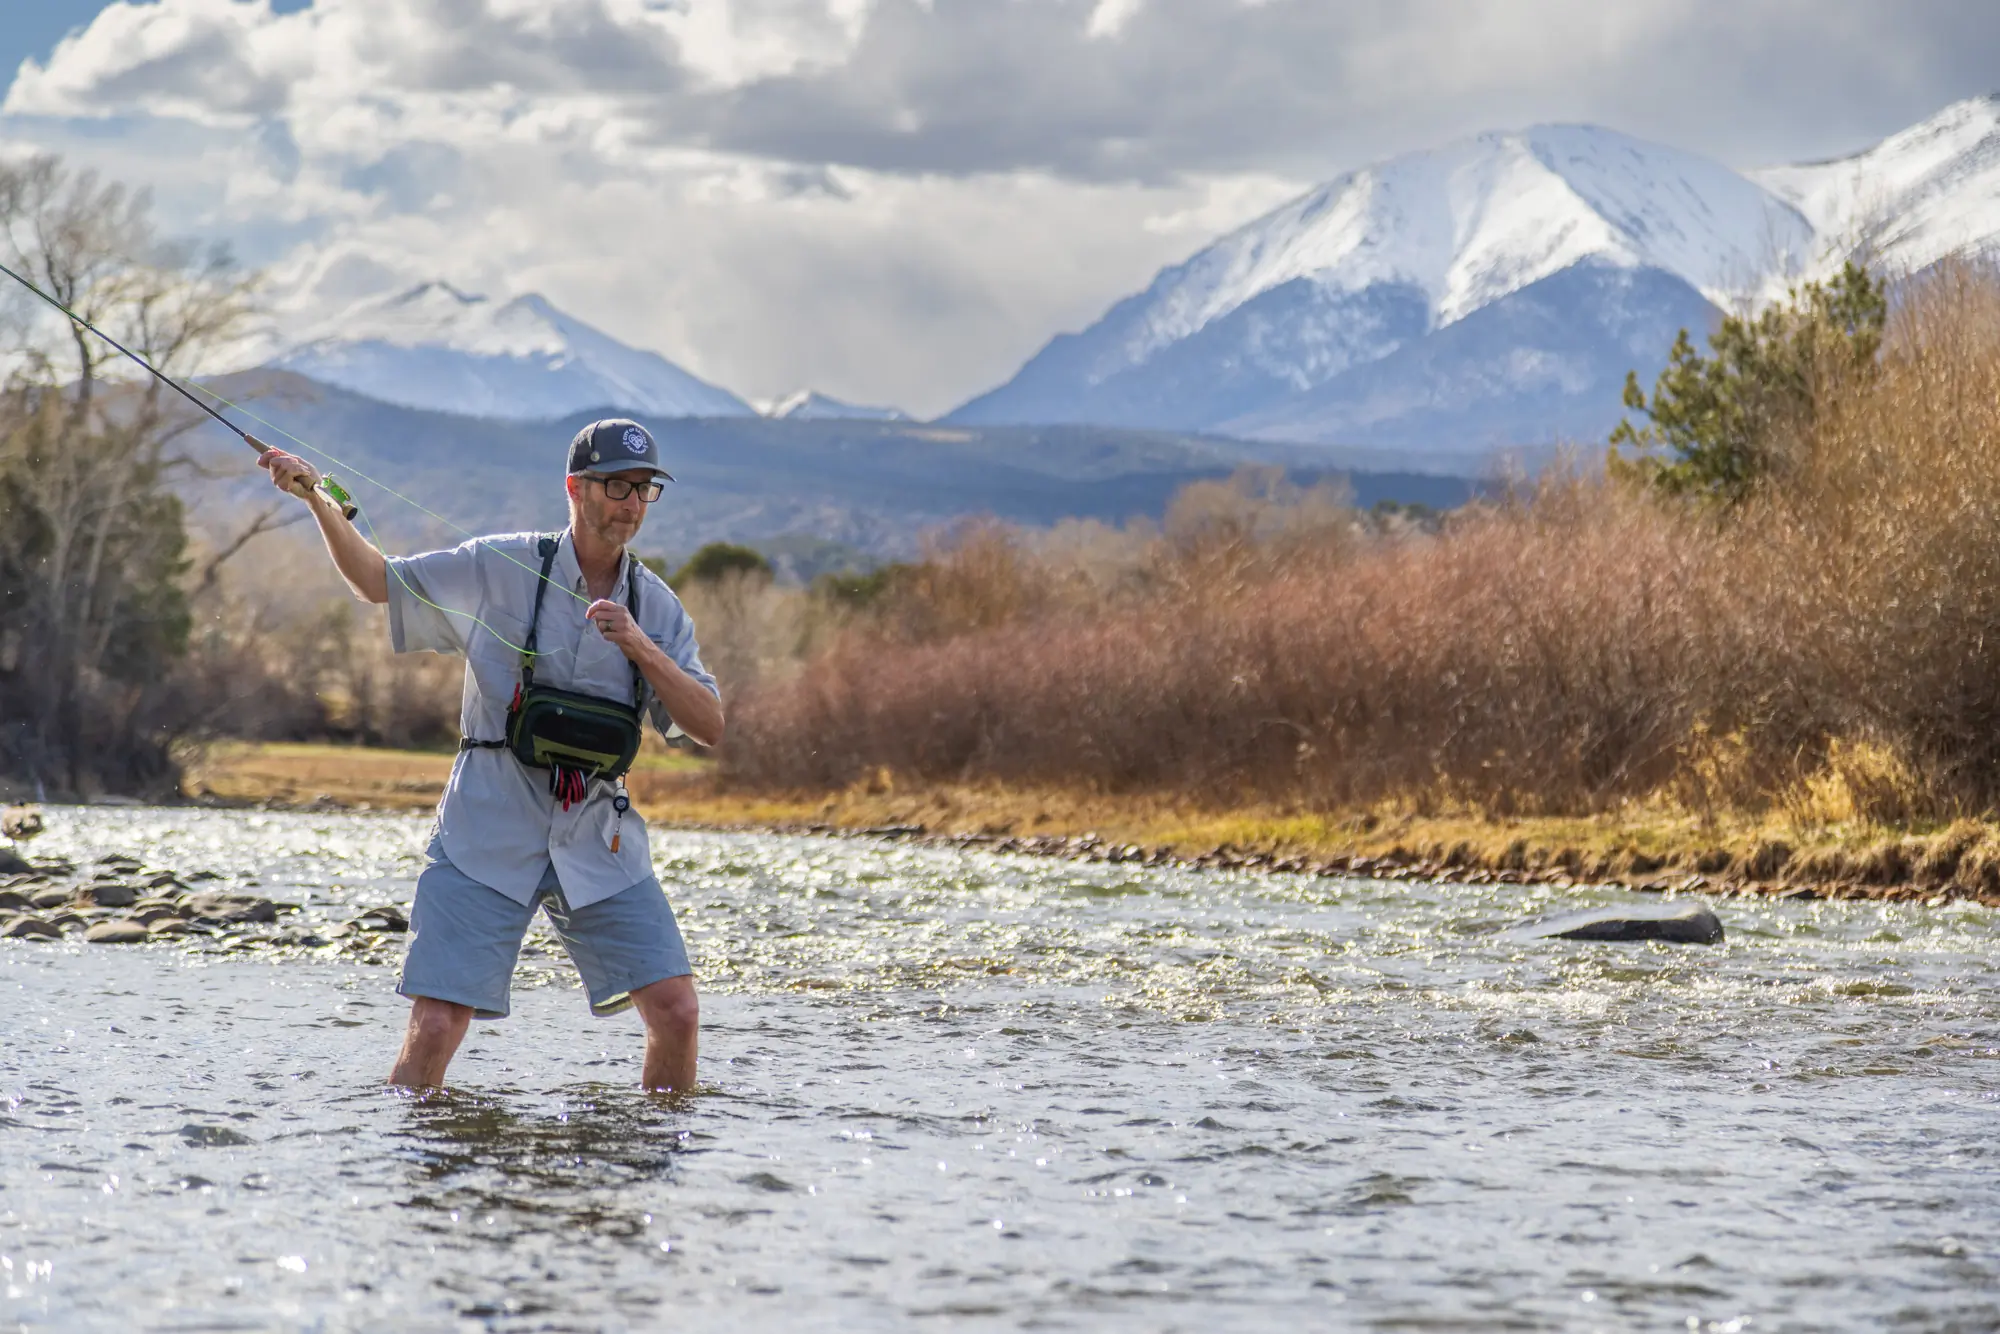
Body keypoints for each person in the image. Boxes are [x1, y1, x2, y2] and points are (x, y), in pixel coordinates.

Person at [259, 419, 724, 1093]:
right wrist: (316, 500)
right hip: (485, 823)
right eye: (616, 485)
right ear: (575, 488)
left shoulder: (657, 605)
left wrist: (642, 649)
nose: (630, 503)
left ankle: (652, 1162)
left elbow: (708, 725)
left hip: (597, 835)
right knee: (441, 1024)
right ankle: (412, 1161)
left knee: (678, 1012)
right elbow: (375, 582)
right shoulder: (495, 564)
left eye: (644, 490)